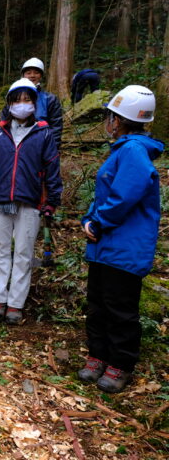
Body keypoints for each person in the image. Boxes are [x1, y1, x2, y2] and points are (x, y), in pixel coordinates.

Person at [78, 85, 162, 393]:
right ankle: (98, 355)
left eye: (110, 117)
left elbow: (124, 196)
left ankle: (121, 363)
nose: (107, 122)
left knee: (120, 307)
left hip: (124, 248)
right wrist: (89, 218)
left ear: (119, 120)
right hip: (105, 248)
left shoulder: (134, 151)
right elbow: (105, 195)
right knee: (98, 303)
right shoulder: (125, 149)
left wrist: (99, 222)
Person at [0, 78, 62, 325]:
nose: (22, 105)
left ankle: (15, 304)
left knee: (23, 253)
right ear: (9, 104)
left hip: (30, 201)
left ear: (34, 104)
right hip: (0, 201)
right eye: (17, 100)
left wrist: (52, 201)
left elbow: (52, 169)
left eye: (27, 100)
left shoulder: (44, 133)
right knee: (0, 249)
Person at [0, 58, 63, 147]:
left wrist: (53, 148)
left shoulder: (50, 99)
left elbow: (56, 126)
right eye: (28, 73)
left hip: (41, 144)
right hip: (15, 144)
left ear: (41, 75)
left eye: (36, 73)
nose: (32, 76)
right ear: (23, 75)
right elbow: (4, 121)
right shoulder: (13, 96)